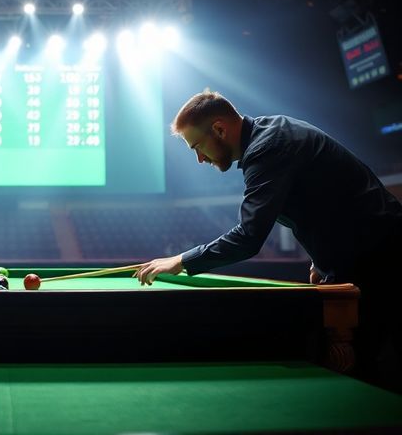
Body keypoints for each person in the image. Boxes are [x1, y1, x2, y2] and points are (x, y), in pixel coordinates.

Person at [135, 90, 402, 388]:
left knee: (360, 372)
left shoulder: (268, 148)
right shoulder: (270, 134)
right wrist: (320, 260)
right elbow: (324, 202)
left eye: (197, 146)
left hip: (382, 258)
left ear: (219, 129)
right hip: (373, 251)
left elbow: (249, 237)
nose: (199, 159)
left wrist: (182, 260)